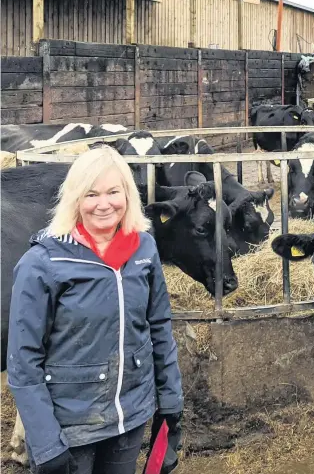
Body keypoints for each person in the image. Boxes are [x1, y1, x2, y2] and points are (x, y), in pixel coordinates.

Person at [7, 146, 183, 474]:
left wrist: (171, 402)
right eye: (91, 194)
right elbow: (23, 361)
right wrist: (45, 441)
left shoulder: (143, 247)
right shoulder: (43, 262)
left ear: (127, 194)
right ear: (75, 199)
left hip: (129, 416)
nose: (104, 204)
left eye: (113, 191)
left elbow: (158, 325)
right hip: (69, 426)